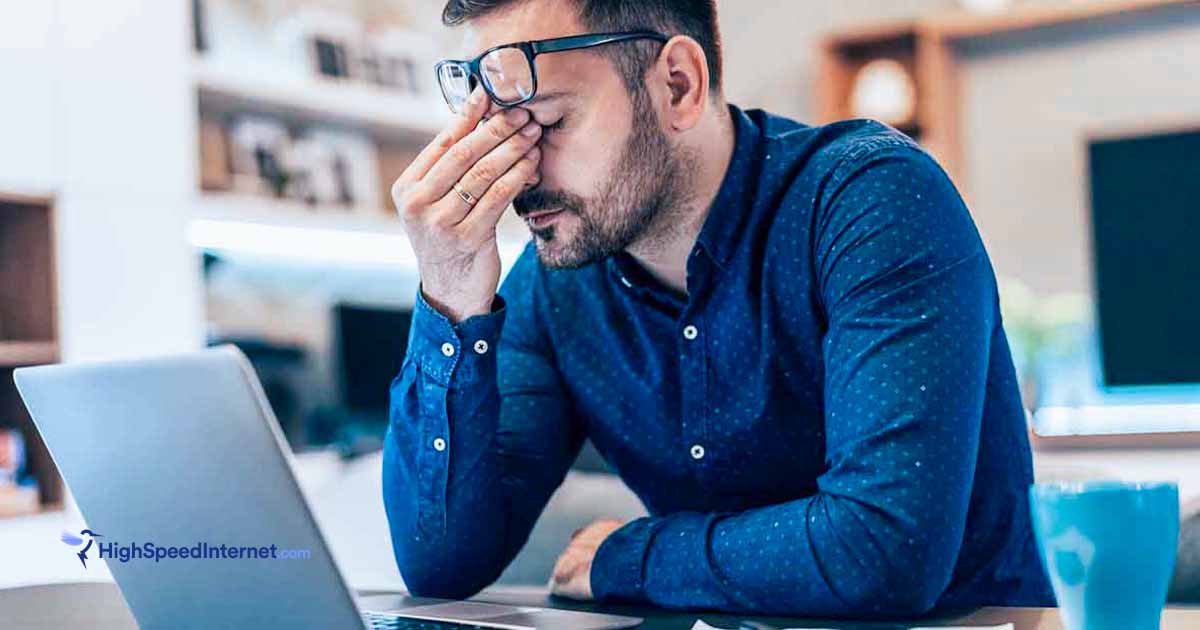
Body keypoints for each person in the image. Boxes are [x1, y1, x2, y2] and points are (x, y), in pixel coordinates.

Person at [383, 0, 1053, 618]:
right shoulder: (557, 284)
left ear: (677, 84)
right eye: (503, 133)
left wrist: (634, 554)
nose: (522, 171)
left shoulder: (872, 203)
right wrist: (450, 293)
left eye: (553, 122)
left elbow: (884, 551)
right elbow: (441, 564)